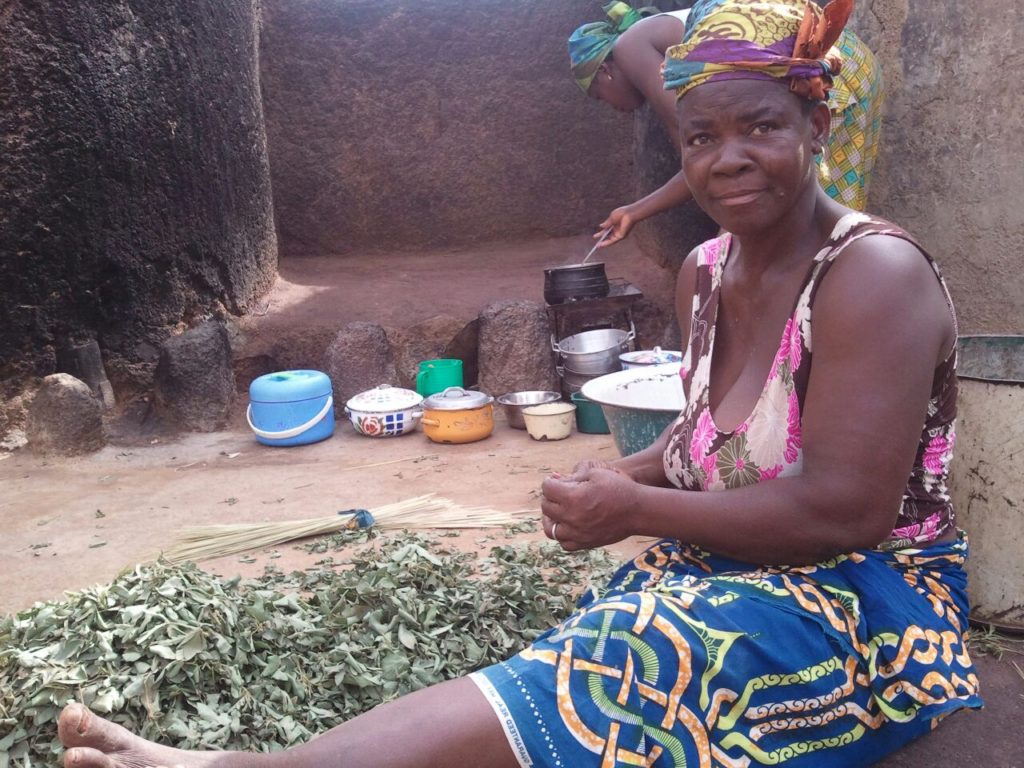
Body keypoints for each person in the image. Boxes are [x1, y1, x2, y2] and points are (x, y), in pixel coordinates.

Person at [57, 1, 980, 766]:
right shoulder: (707, 269)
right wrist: (628, 477)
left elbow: (844, 514)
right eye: (701, 137)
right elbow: (704, 439)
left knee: (629, 653)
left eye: (761, 127)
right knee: (569, 656)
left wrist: (637, 512)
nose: (727, 157)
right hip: (738, 566)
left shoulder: (871, 276)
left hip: (872, 605)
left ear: (816, 126)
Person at [568, 0, 884, 248]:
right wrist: (634, 211)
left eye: (600, 96)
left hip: (820, 70)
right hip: (850, 60)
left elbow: (704, 158)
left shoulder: (629, 48)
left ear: (605, 72)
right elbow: (703, 158)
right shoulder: (659, 45)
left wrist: (636, 212)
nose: (614, 107)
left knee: (806, 236)